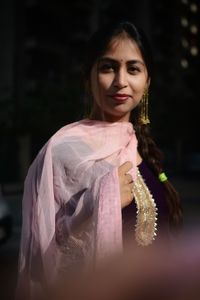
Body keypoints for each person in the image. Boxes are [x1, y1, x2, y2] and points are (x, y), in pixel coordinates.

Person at [16, 21, 182, 298]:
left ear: (147, 80)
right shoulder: (63, 151)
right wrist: (97, 203)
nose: (120, 81)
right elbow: (43, 260)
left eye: (133, 68)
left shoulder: (138, 145)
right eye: (107, 67)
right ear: (88, 77)